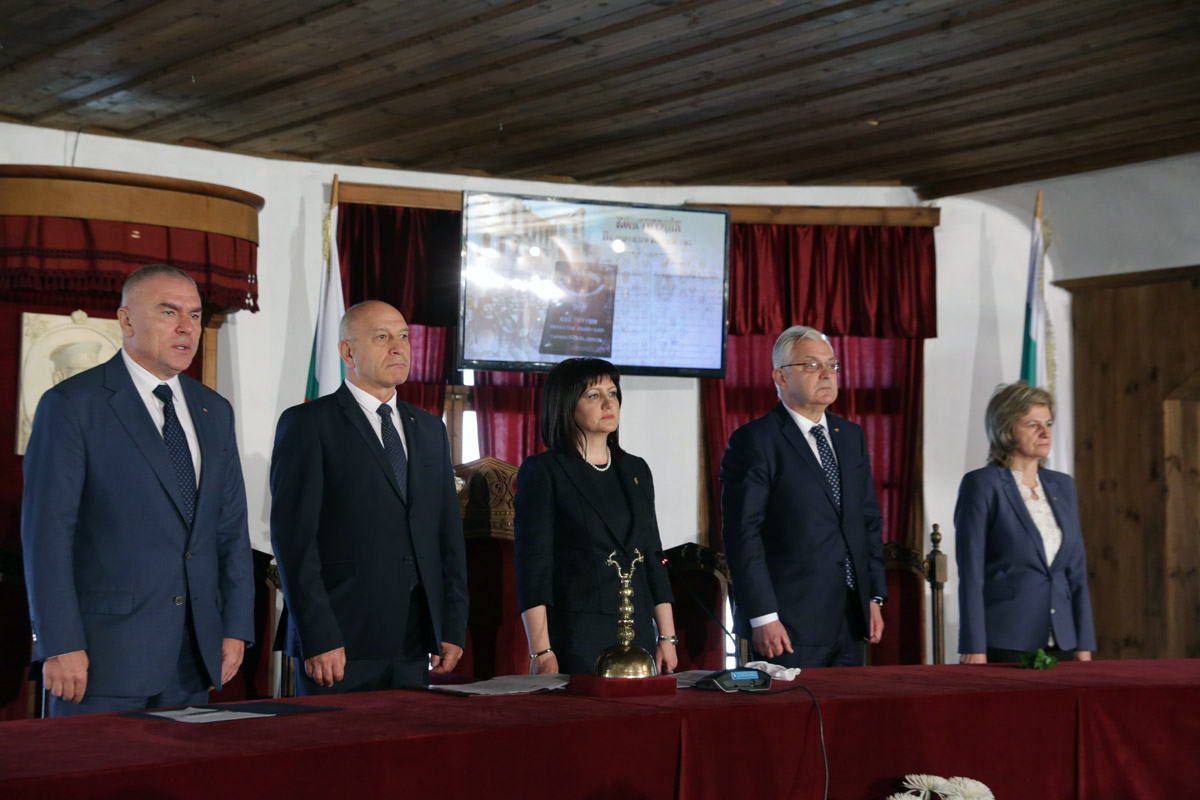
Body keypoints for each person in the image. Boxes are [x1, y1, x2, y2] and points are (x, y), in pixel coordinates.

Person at [21, 264, 254, 716]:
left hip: (194, 657)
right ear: (126, 320)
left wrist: (235, 627)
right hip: (101, 657)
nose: (186, 327)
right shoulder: (72, 405)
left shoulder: (214, 409)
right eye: (169, 312)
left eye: (194, 314)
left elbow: (230, 528)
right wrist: (59, 642)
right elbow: (47, 537)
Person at [270, 300, 468, 693]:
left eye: (403, 336)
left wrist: (451, 624)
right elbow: (294, 542)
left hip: (415, 639)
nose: (398, 347)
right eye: (382, 337)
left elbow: (447, 534)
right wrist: (318, 634)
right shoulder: (309, 424)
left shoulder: (429, 429)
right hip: (340, 640)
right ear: (347, 352)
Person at [720, 325, 885, 668]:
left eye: (832, 365)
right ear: (781, 377)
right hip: (788, 623)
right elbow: (743, 534)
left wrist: (872, 596)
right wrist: (763, 616)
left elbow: (866, 521)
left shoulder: (850, 436)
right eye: (811, 365)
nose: (826, 373)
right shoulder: (755, 441)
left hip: (851, 620)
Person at [514, 358, 678, 676]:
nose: (608, 403)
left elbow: (653, 555)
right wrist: (541, 651)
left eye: (613, 393)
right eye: (593, 395)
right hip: (577, 635)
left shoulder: (636, 470)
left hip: (639, 632)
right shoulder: (544, 471)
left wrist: (667, 637)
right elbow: (533, 567)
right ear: (566, 404)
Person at [956, 382, 1096, 663]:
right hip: (1006, 637)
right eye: (1033, 425)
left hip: (1063, 639)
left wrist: (1084, 643)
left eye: (1049, 424)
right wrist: (973, 645)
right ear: (1007, 430)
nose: (1045, 433)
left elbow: (1076, 572)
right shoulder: (982, 484)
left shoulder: (1063, 485)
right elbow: (971, 573)